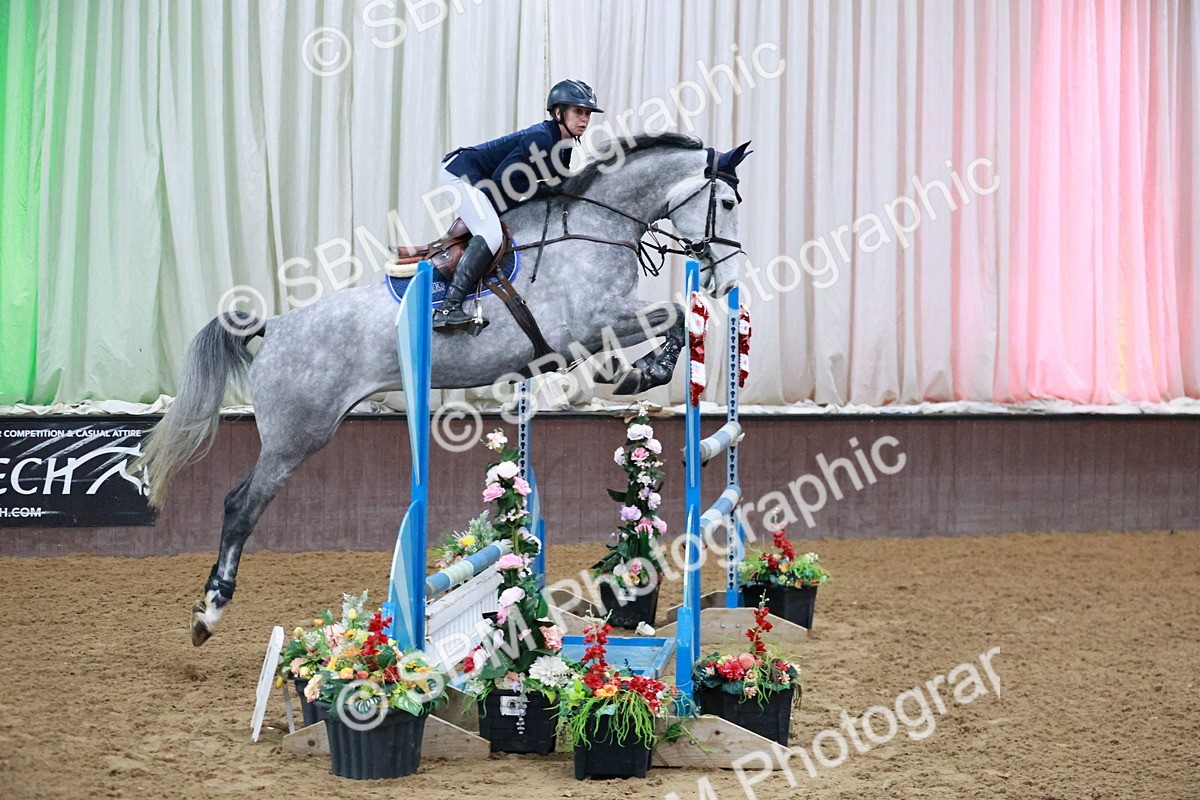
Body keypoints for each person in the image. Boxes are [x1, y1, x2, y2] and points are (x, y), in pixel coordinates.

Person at [434, 79, 603, 332]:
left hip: (484, 181)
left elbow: (557, 187)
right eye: (578, 111)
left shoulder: (564, 146)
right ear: (558, 112)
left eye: (587, 113)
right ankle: (448, 308)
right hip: (460, 174)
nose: (584, 119)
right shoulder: (542, 138)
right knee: (490, 234)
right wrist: (544, 188)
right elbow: (505, 179)